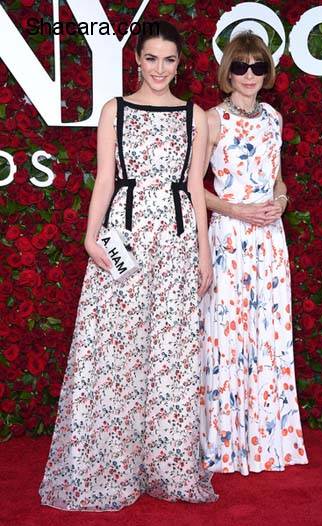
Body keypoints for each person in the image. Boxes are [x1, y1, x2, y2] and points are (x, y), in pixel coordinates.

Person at [39, 20, 217, 510]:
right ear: (136, 59)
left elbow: (197, 194)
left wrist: (204, 252)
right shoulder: (113, 111)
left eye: (170, 60)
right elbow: (103, 180)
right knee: (115, 352)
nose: (160, 69)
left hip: (177, 243)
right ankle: (108, 466)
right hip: (125, 238)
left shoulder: (195, 116)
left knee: (170, 357)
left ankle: (167, 468)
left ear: (179, 65)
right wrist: (89, 236)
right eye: (152, 58)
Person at [199, 31, 308, 475]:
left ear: (268, 72)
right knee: (226, 336)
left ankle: (266, 442)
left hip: (269, 240)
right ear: (228, 71)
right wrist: (237, 209)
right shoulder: (211, 118)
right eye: (241, 66)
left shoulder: (274, 119)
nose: (249, 75)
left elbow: (278, 179)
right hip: (228, 236)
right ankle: (223, 445)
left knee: (269, 335)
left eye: (258, 66)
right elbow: (191, 188)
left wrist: (281, 201)